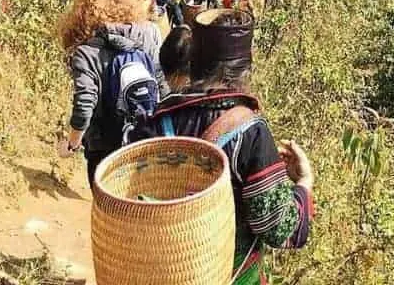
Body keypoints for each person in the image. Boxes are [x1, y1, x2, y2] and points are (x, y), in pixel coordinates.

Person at [131, 20, 314, 284]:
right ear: (243, 72)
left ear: (193, 65)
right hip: (228, 273)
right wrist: (304, 184)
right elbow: (275, 225)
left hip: (166, 272)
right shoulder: (249, 131)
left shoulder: (156, 121)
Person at [57, 0, 167, 187]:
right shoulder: (148, 35)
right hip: (142, 141)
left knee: (110, 215)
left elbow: (84, 105)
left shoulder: (87, 53)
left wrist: (71, 145)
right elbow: (161, 86)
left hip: (103, 149)